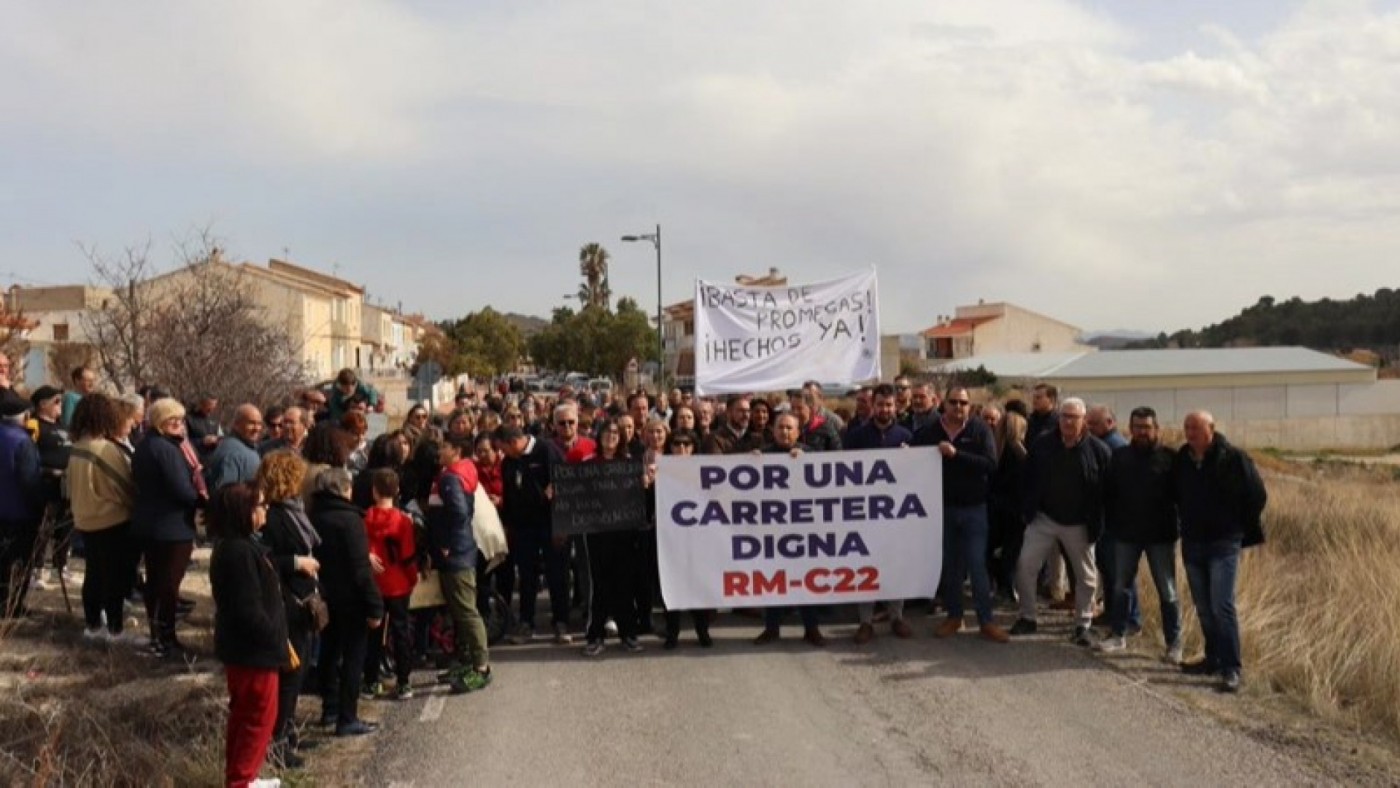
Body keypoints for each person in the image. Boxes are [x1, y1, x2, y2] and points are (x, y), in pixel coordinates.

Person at [1174, 411, 1267, 694]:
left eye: (1196, 428)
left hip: (1224, 542)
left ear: (1211, 429)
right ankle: (1212, 658)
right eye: (1187, 428)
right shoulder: (1182, 460)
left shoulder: (1233, 458)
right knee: (1203, 606)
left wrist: (1235, 525)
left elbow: (1257, 495)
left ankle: (1231, 669)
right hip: (1193, 541)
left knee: (1222, 605)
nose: (1190, 433)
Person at [207, 481, 290, 788]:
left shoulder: (238, 546)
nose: (265, 510)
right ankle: (241, 781)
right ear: (244, 512)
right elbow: (247, 611)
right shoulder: (238, 552)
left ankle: (245, 777)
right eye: (260, 506)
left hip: (246, 650)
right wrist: (275, 639)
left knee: (245, 718)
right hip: (253, 653)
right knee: (257, 719)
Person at [1011, 397, 1111, 646]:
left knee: (1087, 577)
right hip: (1044, 518)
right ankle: (1027, 616)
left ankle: (1083, 624)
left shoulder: (1098, 451)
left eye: (1073, 417)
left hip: (1079, 522)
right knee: (1025, 566)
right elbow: (1027, 478)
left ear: (1083, 420)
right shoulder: (1043, 444)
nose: (1067, 421)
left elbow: (1107, 490)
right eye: (1064, 416)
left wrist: (1099, 521)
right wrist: (1027, 510)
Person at [914, 387, 1009, 643]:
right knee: (951, 567)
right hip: (942, 509)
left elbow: (990, 464)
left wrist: (957, 455)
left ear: (970, 406)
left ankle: (986, 621)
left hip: (974, 510)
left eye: (964, 402)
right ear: (943, 404)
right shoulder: (930, 432)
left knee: (977, 566)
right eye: (953, 402)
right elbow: (911, 459)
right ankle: (954, 617)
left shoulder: (980, 430)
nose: (958, 406)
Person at [254, 450, 322, 767]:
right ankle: (278, 743)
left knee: (301, 668)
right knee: (290, 674)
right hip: (288, 601)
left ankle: (289, 733)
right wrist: (299, 562)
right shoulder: (276, 516)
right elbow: (267, 561)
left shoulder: (294, 509)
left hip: (303, 597)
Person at [1098, 407, 1181, 661]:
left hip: (1161, 536)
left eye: (1146, 427)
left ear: (1157, 429)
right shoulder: (1120, 457)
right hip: (1126, 535)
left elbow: (1183, 497)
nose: (1142, 432)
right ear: (1130, 429)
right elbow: (1108, 494)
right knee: (1121, 586)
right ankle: (1118, 634)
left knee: (1167, 591)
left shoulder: (1171, 458)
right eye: (1137, 427)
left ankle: (1174, 644)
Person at [311, 467, 384, 736]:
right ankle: (347, 716)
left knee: (329, 652)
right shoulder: (350, 520)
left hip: (325, 594)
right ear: (344, 489)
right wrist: (375, 604)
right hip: (351, 598)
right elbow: (360, 568)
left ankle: (329, 708)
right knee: (354, 657)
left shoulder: (313, 515)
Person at [131, 398, 202, 657]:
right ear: (161, 421)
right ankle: (167, 638)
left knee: (156, 583)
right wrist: (204, 500)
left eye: (181, 420)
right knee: (168, 585)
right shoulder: (166, 449)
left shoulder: (144, 445)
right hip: (171, 527)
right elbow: (180, 488)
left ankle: (157, 635)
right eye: (173, 420)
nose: (179, 425)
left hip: (150, 523)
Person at [67, 393, 139, 643]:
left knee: (94, 573)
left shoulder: (77, 446)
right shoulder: (105, 449)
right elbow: (125, 485)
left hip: (85, 519)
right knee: (114, 577)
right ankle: (116, 630)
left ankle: (93, 625)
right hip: (111, 520)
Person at [846, 384, 915, 643]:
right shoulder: (856, 436)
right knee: (865, 565)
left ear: (895, 406)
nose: (885, 409)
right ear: (872, 405)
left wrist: (912, 459)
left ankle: (896, 616)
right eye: (880, 404)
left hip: (896, 515)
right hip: (864, 514)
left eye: (889, 405)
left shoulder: (906, 436)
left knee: (895, 564)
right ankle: (865, 621)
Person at [753, 413, 826, 647]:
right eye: (780, 428)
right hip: (773, 531)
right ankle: (772, 628)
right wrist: (749, 462)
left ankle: (811, 628)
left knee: (805, 579)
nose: (784, 432)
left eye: (789, 428)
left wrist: (807, 461)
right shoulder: (763, 455)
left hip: (804, 530)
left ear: (798, 432)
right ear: (773, 431)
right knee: (774, 580)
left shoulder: (809, 452)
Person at [427, 435, 493, 693]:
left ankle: (481, 667)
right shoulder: (457, 474)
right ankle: (466, 661)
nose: (439, 450)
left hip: (456, 555)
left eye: (444, 446)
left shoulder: (451, 479)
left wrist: (445, 544)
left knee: (466, 612)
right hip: (458, 552)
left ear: (456, 451)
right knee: (459, 611)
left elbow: (459, 513)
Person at [498, 423, 571, 645]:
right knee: (527, 577)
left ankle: (561, 622)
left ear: (514, 442)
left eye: (503, 448)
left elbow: (565, 486)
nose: (502, 453)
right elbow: (509, 494)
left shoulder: (547, 451)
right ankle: (526, 623)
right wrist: (508, 525)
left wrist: (562, 525)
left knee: (557, 574)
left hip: (551, 525)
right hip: (523, 528)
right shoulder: (508, 462)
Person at [581, 418, 644, 656]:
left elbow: (637, 496)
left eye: (616, 434)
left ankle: (628, 633)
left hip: (624, 532)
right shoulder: (588, 463)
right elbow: (574, 493)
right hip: (596, 533)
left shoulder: (629, 463)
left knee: (624, 583)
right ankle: (595, 635)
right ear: (599, 436)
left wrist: (644, 484)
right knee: (599, 584)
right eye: (607, 433)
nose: (611, 437)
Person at [362, 469, 419, 700]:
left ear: (374, 492)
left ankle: (371, 680)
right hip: (398, 583)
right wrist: (413, 578)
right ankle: (404, 681)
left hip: (375, 583)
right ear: (396, 491)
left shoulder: (365, 518)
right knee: (401, 631)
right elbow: (407, 555)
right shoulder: (403, 521)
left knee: (373, 632)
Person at [0, 391, 42, 618]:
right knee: (19, 561)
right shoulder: (22, 443)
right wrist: (39, 504)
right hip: (18, 512)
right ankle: (13, 605)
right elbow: (29, 481)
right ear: (24, 416)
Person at [30, 385, 73, 590]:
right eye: (56, 401)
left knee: (65, 526)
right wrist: (48, 470)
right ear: (42, 405)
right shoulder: (34, 425)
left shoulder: (63, 427)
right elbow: (29, 456)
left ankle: (61, 565)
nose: (60, 406)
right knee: (44, 528)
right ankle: (38, 568)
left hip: (65, 485)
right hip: (46, 484)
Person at [988, 410, 1029, 606]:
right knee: (1011, 553)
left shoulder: (994, 450)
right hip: (1015, 511)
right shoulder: (1022, 454)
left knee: (995, 550)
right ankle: (1008, 588)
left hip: (995, 509)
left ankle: (1000, 587)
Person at [205, 404, 264, 491]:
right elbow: (225, 494)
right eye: (251, 423)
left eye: (259, 424)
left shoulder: (248, 447)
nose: (257, 428)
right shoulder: (232, 454)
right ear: (236, 424)